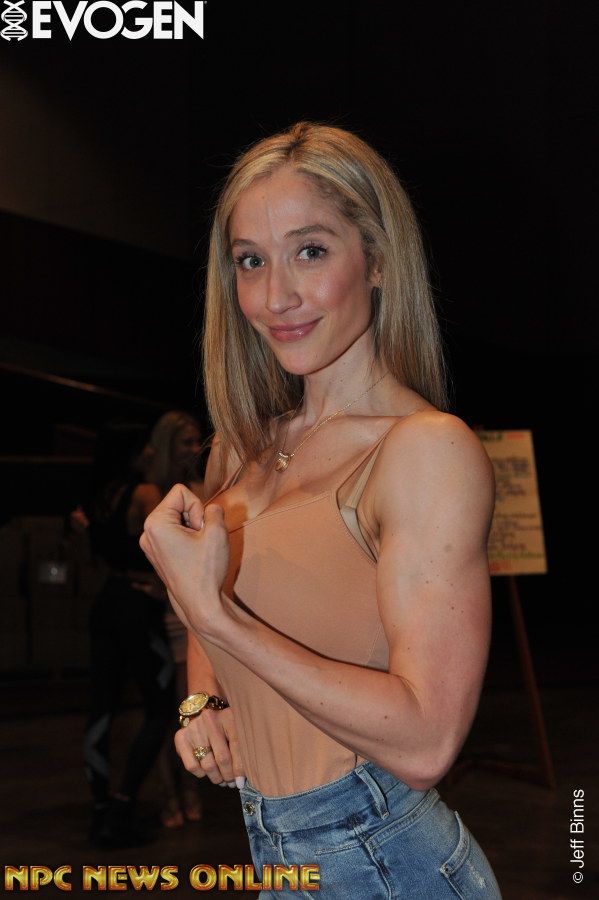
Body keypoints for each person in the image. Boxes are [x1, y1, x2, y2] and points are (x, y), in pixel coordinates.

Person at [140, 122, 502, 897]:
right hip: (277, 853)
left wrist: (215, 618)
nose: (276, 296)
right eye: (250, 261)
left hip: (381, 861)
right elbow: (217, 598)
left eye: (310, 251)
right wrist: (203, 699)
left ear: (376, 259)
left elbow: (426, 741)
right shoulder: (239, 450)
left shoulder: (423, 450)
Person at [82, 421, 175, 848]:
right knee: (161, 707)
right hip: (138, 605)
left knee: (102, 706)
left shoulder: (100, 495)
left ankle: (102, 807)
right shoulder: (144, 493)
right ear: (134, 452)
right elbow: (166, 547)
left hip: (107, 600)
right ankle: (122, 806)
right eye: (145, 447)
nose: (152, 453)